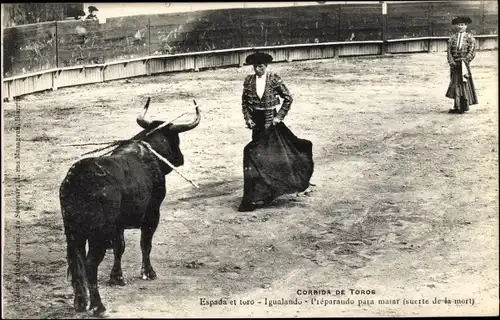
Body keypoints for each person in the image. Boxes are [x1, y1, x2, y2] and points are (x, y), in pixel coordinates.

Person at [241, 52, 293, 140]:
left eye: (260, 66)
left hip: (271, 118)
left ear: (266, 66)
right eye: (255, 66)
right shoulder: (249, 80)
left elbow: (288, 98)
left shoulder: (274, 79)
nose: (257, 69)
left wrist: (278, 117)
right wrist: (248, 119)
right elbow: (244, 102)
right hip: (255, 120)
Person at [445, 16, 478, 114]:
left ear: (466, 26)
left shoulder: (470, 38)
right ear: (456, 26)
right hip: (455, 65)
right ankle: (457, 106)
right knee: (455, 84)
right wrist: (451, 62)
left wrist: (465, 60)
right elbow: (449, 52)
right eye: (458, 25)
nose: (460, 27)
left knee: (464, 84)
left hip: (464, 64)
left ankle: (464, 106)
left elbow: (472, 51)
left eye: (462, 25)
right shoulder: (452, 38)